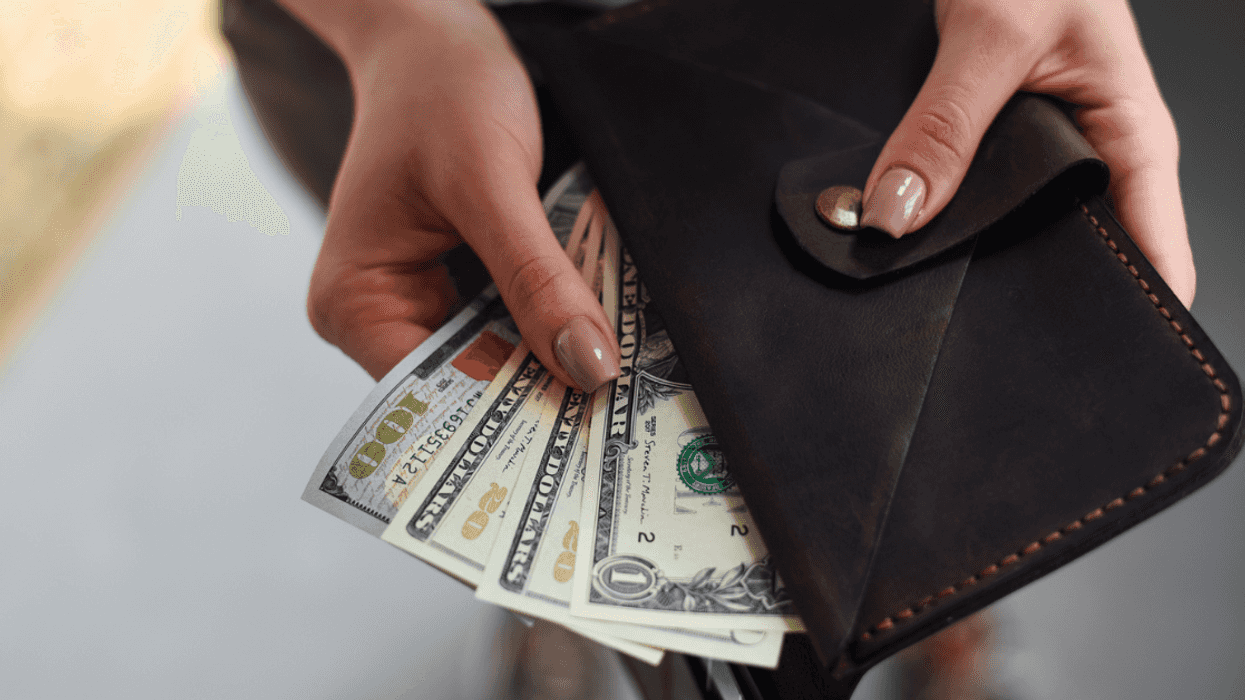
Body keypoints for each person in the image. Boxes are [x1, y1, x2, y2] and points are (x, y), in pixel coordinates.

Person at [223, 1, 1194, 697]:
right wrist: (395, 25)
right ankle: (570, 602)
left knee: (913, 430)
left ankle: (947, 607)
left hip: (830, 40)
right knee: (547, 414)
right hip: (408, 60)